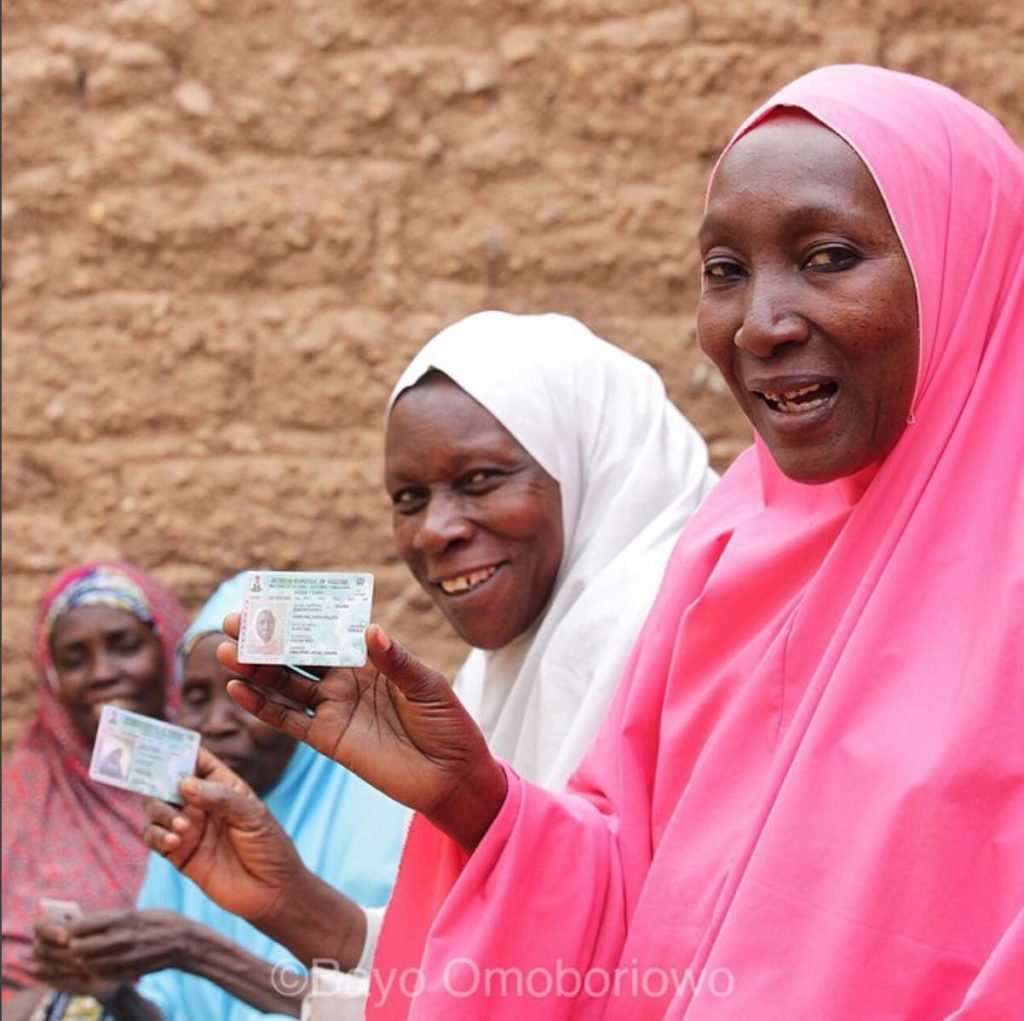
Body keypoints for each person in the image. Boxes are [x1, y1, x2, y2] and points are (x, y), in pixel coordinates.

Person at [212, 64, 1022, 1018]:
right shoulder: (730, 558)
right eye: (724, 272)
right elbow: (653, 913)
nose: (760, 325)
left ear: (967, 259)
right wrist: (477, 798)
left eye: (829, 256)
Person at [138, 313, 717, 1007]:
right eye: (408, 499)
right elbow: (493, 966)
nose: (436, 529)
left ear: (591, 460)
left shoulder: (696, 640)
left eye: (481, 478)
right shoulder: (498, 677)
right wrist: (296, 906)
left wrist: (475, 802)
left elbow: (674, 966)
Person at [32, 573, 410, 1020]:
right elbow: (171, 1008)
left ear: (310, 700)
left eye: (252, 697)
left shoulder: (390, 827)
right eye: (195, 696)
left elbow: (403, 1001)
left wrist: (196, 950)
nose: (216, 723)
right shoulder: (193, 827)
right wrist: (113, 990)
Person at [2, 563, 189, 1018]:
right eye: (74, 660)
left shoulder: (230, 777)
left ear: (166, 651)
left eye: (125, 647)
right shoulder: (25, 792)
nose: (103, 673)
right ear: (51, 677)